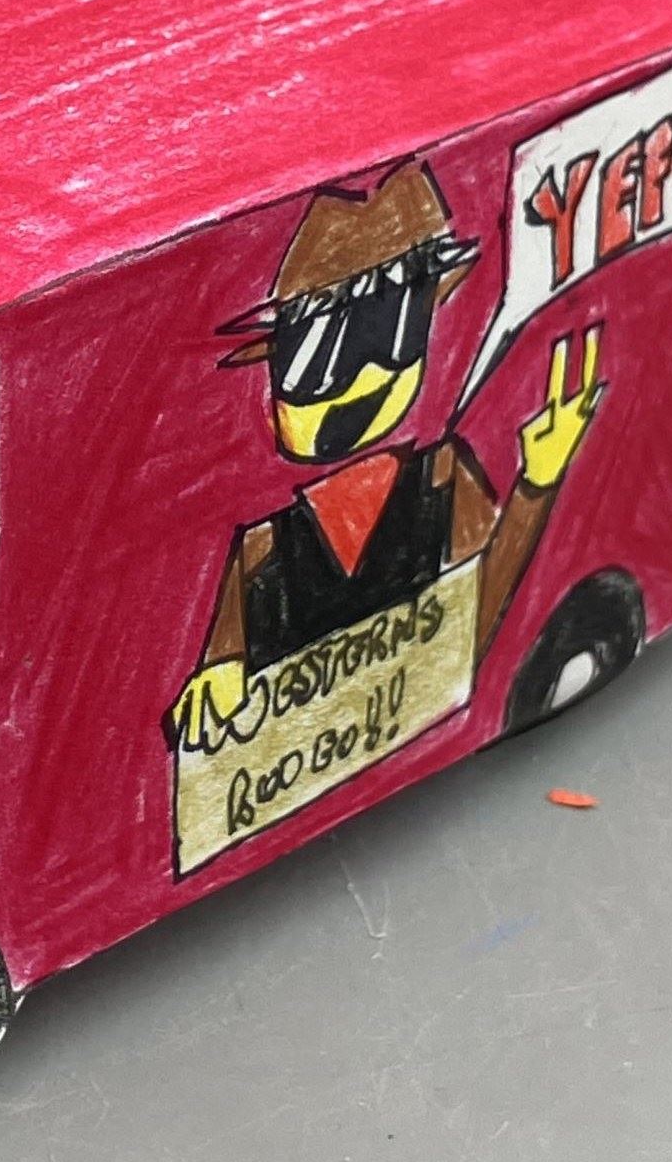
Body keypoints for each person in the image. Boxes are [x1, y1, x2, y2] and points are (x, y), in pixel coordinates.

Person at [167, 160, 603, 749]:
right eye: (318, 360)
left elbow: (475, 620)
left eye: (392, 332)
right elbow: (222, 678)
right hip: (291, 766)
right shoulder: (261, 552)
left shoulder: (443, 478)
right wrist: (219, 678)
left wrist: (537, 484)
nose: (363, 379)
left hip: (400, 728)